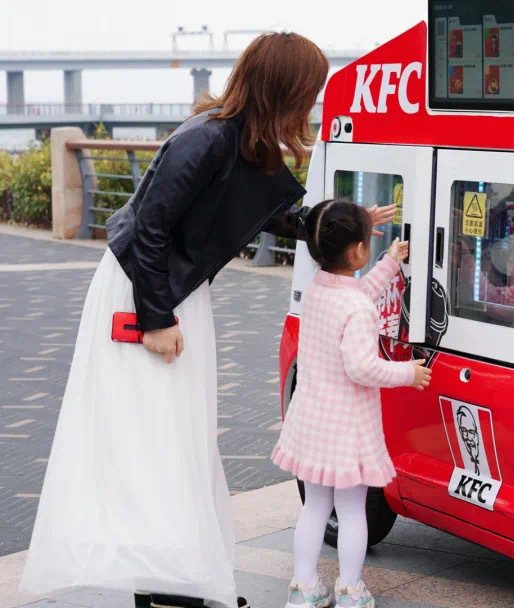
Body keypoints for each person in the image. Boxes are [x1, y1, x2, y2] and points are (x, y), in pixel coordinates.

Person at [19, 32, 395, 608]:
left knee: (178, 435)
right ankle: (169, 583)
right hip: (146, 291)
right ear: (284, 89)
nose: (311, 102)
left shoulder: (240, 139)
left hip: (174, 290)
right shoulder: (206, 138)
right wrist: (155, 319)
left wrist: (343, 222)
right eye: (309, 90)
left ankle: (173, 581)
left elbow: (271, 215)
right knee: (159, 436)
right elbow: (149, 227)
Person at [271, 200, 432, 608]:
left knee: (314, 508)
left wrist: (389, 262)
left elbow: (357, 293)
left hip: (312, 421)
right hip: (347, 429)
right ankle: (350, 590)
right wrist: (406, 373)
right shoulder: (357, 308)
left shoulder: (318, 289)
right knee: (352, 510)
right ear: (359, 250)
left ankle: (303, 588)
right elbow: (362, 366)